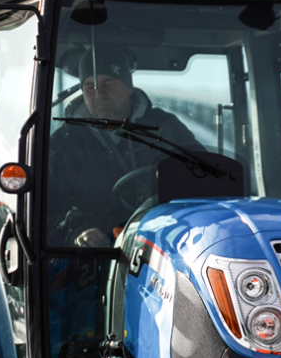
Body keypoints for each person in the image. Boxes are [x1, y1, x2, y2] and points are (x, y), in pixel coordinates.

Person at [46, 41, 204, 248]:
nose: (99, 94)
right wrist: (79, 234)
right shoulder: (63, 143)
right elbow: (45, 215)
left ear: (128, 87)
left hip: (160, 247)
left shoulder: (165, 128)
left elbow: (202, 180)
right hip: (92, 260)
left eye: (108, 84)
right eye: (89, 87)